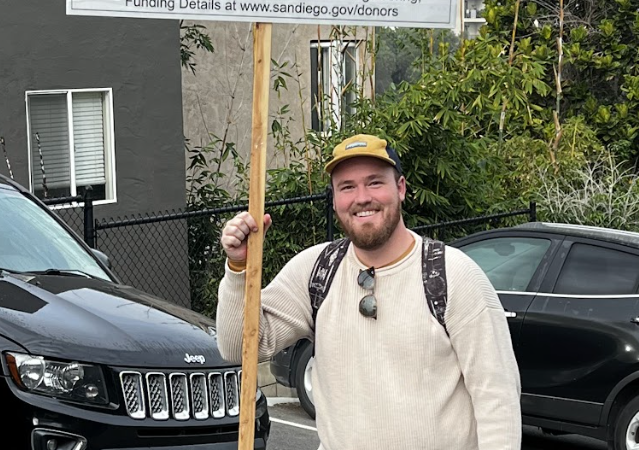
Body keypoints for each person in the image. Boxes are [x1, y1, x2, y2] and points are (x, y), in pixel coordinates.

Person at [216, 134, 521, 450]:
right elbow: (238, 347)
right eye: (347, 187)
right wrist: (239, 269)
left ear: (400, 188)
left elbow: (496, 398)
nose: (362, 197)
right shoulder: (317, 271)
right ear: (334, 199)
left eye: (375, 182)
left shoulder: (451, 275)